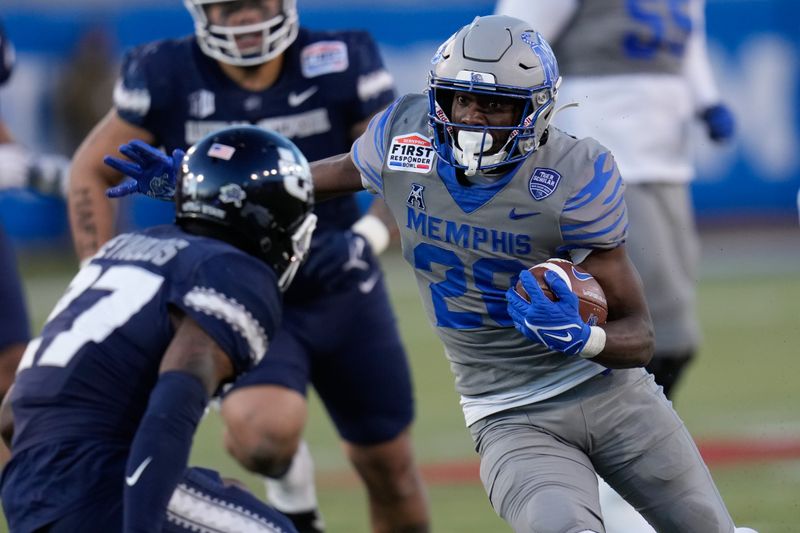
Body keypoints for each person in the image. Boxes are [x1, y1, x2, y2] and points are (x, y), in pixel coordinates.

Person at [107, 15, 758, 533]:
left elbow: (641, 335)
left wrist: (582, 336)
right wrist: (193, 178)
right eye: (462, 101)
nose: (473, 119)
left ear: (537, 110)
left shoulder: (575, 171)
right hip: (510, 414)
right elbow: (305, 180)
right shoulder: (407, 135)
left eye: (495, 106)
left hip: (617, 400)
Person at [68, 1, 429, 532]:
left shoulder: (340, 56)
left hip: (337, 276)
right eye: (229, 6)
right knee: (263, 437)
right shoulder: (164, 69)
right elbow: (89, 171)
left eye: (256, 2)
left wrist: (367, 237)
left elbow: (401, 155)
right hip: (237, 283)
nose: (245, 19)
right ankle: (293, 489)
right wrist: (100, 278)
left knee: (390, 469)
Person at [0, 126, 315, 533]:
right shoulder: (232, 271)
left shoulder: (122, 250)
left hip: (30, 489)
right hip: (96, 482)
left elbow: (11, 416)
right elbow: (177, 394)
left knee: (223, 493)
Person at [495, 0, 736, 400]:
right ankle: (622, 434)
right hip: (599, 154)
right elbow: (511, 41)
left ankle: (634, 436)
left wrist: (705, 99)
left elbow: (688, 42)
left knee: (674, 334)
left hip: (667, 156)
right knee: (659, 326)